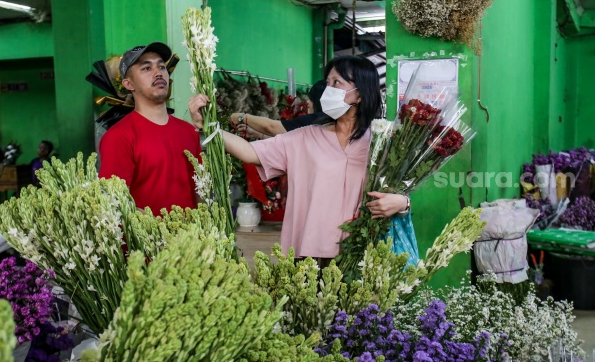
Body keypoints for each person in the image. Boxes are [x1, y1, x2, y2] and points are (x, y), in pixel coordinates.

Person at [189, 55, 418, 265]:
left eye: (337, 83)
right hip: (311, 255)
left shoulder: (380, 143)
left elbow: (400, 192)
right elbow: (250, 152)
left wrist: (403, 203)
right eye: (327, 83)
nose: (328, 89)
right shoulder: (305, 137)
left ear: (360, 93)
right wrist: (209, 127)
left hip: (362, 254)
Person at [98, 42, 202, 216]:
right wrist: (161, 232)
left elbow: (201, 193)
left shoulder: (189, 131)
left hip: (191, 240)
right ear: (128, 84)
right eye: (146, 68)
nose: (158, 72)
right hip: (148, 241)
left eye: (161, 66)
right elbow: (115, 202)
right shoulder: (119, 136)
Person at [229, 80, 329, 138]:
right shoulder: (330, 121)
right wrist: (257, 133)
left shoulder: (316, 120)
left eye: (311, 99)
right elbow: (287, 140)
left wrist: (242, 117)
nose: (307, 102)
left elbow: (270, 127)